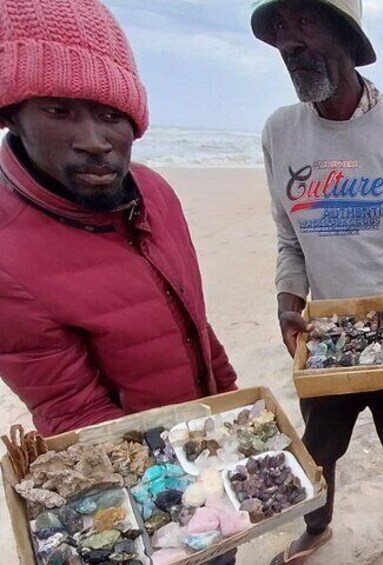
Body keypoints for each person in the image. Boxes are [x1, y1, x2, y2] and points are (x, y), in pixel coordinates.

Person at [251, 0, 383, 563]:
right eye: (282, 30)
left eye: (305, 22)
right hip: (325, 342)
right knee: (317, 455)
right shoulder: (280, 132)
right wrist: (288, 304)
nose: (290, 42)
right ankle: (317, 529)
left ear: (346, 35)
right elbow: (290, 243)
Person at [0, 0, 238, 437]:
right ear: (14, 114)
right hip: (136, 462)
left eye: (111, 115)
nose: (93, 141)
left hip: (203, 428)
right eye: (58, 110)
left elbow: (195, 321)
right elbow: (75, 412)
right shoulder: (7, 256)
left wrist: (231, 405)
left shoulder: (157, 194)